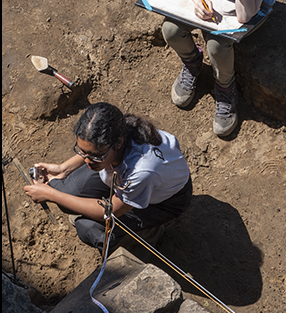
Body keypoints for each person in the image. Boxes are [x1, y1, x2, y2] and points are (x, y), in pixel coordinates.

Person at [22, 103, 192, 253]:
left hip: (164, 202)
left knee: (89, 228)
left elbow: (108, 211)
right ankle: (118, 210)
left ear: (118, 143)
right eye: (82, 152)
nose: (87, 161)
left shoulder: (142, 171)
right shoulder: (117, 130)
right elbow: (92, 150)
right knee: (65, 191)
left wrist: (50, 195)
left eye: (95, 155)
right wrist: (63, 169)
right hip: (122, 174)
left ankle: (148, 233)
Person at [163, 0, 281, 137]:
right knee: (170, 29)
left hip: (251, 2)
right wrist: (199, 0)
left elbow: (245, 14)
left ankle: (226, 87)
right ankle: (192, 62)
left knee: (217, 46)